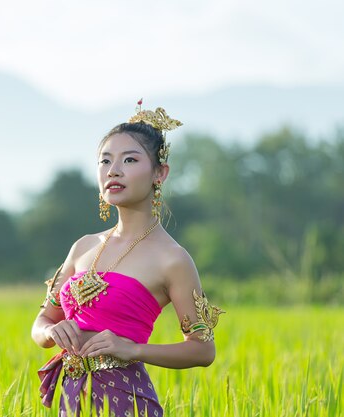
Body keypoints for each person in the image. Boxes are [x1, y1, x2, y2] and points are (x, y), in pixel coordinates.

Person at [31, 100, 224, 417]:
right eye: (104, 161)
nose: (113, 170)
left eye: (130, 160)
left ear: (159, 173)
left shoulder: (172, 259)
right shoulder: (83, 247)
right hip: (71, 396)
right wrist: (51, 333)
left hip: (126, 401)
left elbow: (203, 349)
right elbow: (42, 322)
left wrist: (132, 349)